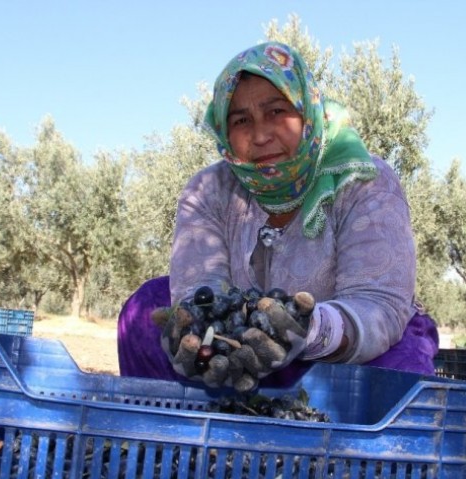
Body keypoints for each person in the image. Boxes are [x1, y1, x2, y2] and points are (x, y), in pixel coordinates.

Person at [118, 42, 438, 389]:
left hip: (344, 352)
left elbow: (378, 306)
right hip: (241, 351)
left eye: (276, 112)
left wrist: (309, 330)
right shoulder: (208, 191)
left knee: (400, 367)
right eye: (241, 120)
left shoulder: (362, 179)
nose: (259, 135)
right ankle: (189, 438)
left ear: (306, 112)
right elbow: (200, 290)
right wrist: (199, 333)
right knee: (147, 309)